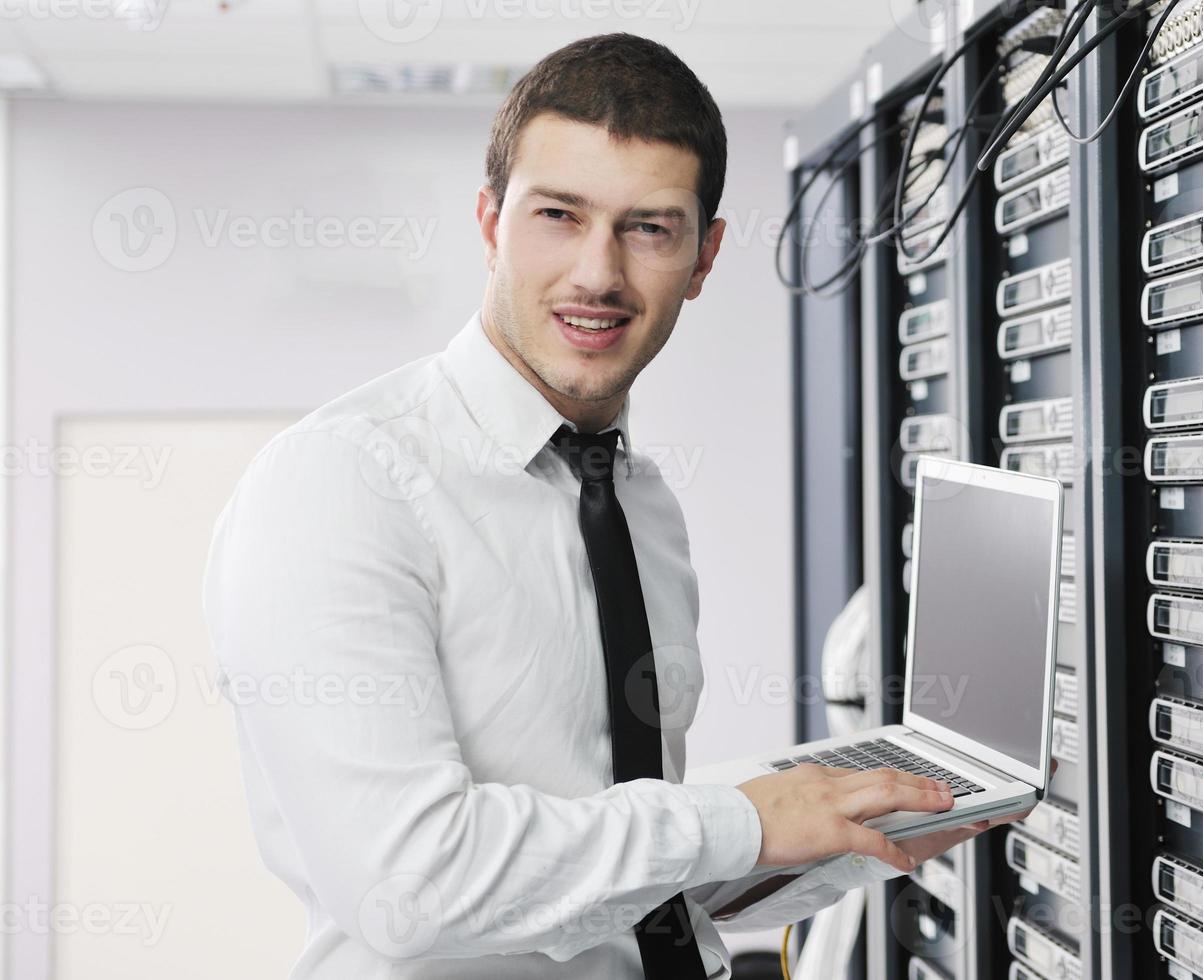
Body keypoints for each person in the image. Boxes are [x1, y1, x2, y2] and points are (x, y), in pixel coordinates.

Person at [203, 32, 1008, 980]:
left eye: (649, 227)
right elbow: (408, 884)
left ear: (704, 257)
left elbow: (618, 885)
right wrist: (741, 816)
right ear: (490, 222)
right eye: (558, 215)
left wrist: (837, 831)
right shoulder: (340, 484)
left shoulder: (639, 503)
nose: (598, 273)